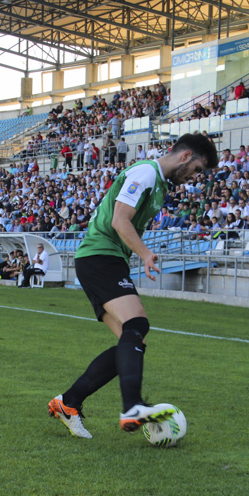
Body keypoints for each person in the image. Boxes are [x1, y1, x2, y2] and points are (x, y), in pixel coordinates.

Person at [47, 132, 218, 438]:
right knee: (137, 324)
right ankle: (132, 406)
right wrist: (146, 253)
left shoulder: (158, 184)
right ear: (185, 156)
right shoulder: (145, 172)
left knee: (131, 343)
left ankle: (68, 402)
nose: (194, 177)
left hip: (104, 259)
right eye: (196, 170)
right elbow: (119, 220)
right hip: (100, 256)